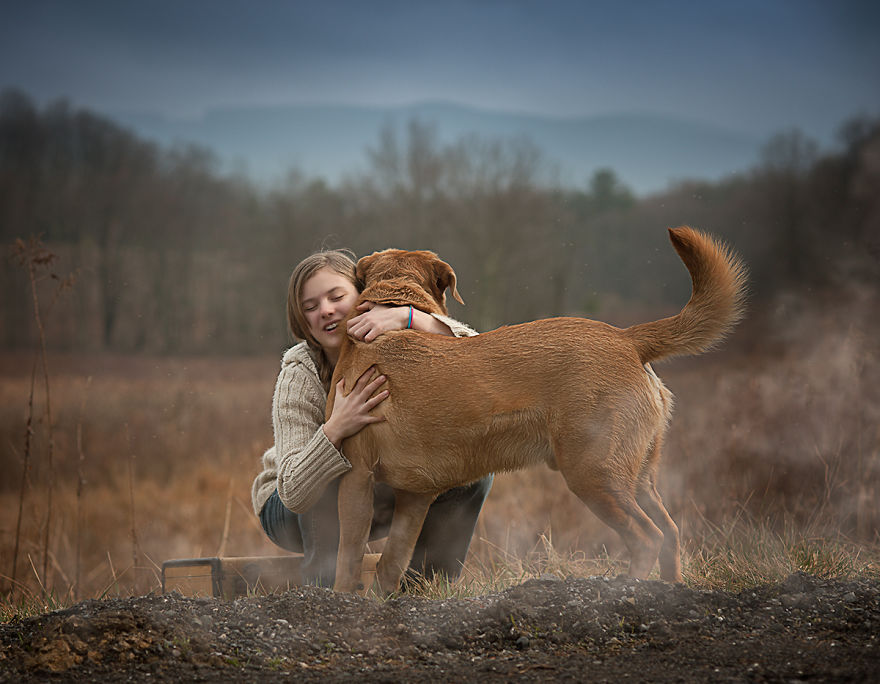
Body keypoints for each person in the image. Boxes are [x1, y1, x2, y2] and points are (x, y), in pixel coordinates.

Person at [251, 248, 493, 587]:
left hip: (376, 487)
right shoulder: (299, 372)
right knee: (331, 475)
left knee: (472, 473)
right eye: (310, 307)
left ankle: (424, 592)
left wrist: (410, 317)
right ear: (301, 320)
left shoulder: (395, 344)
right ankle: (326, 599)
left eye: (337, 297)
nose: (327, 311)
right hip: (288, 506)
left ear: (362, 294)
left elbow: (482, 357)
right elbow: (294, 491)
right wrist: (336, 427)